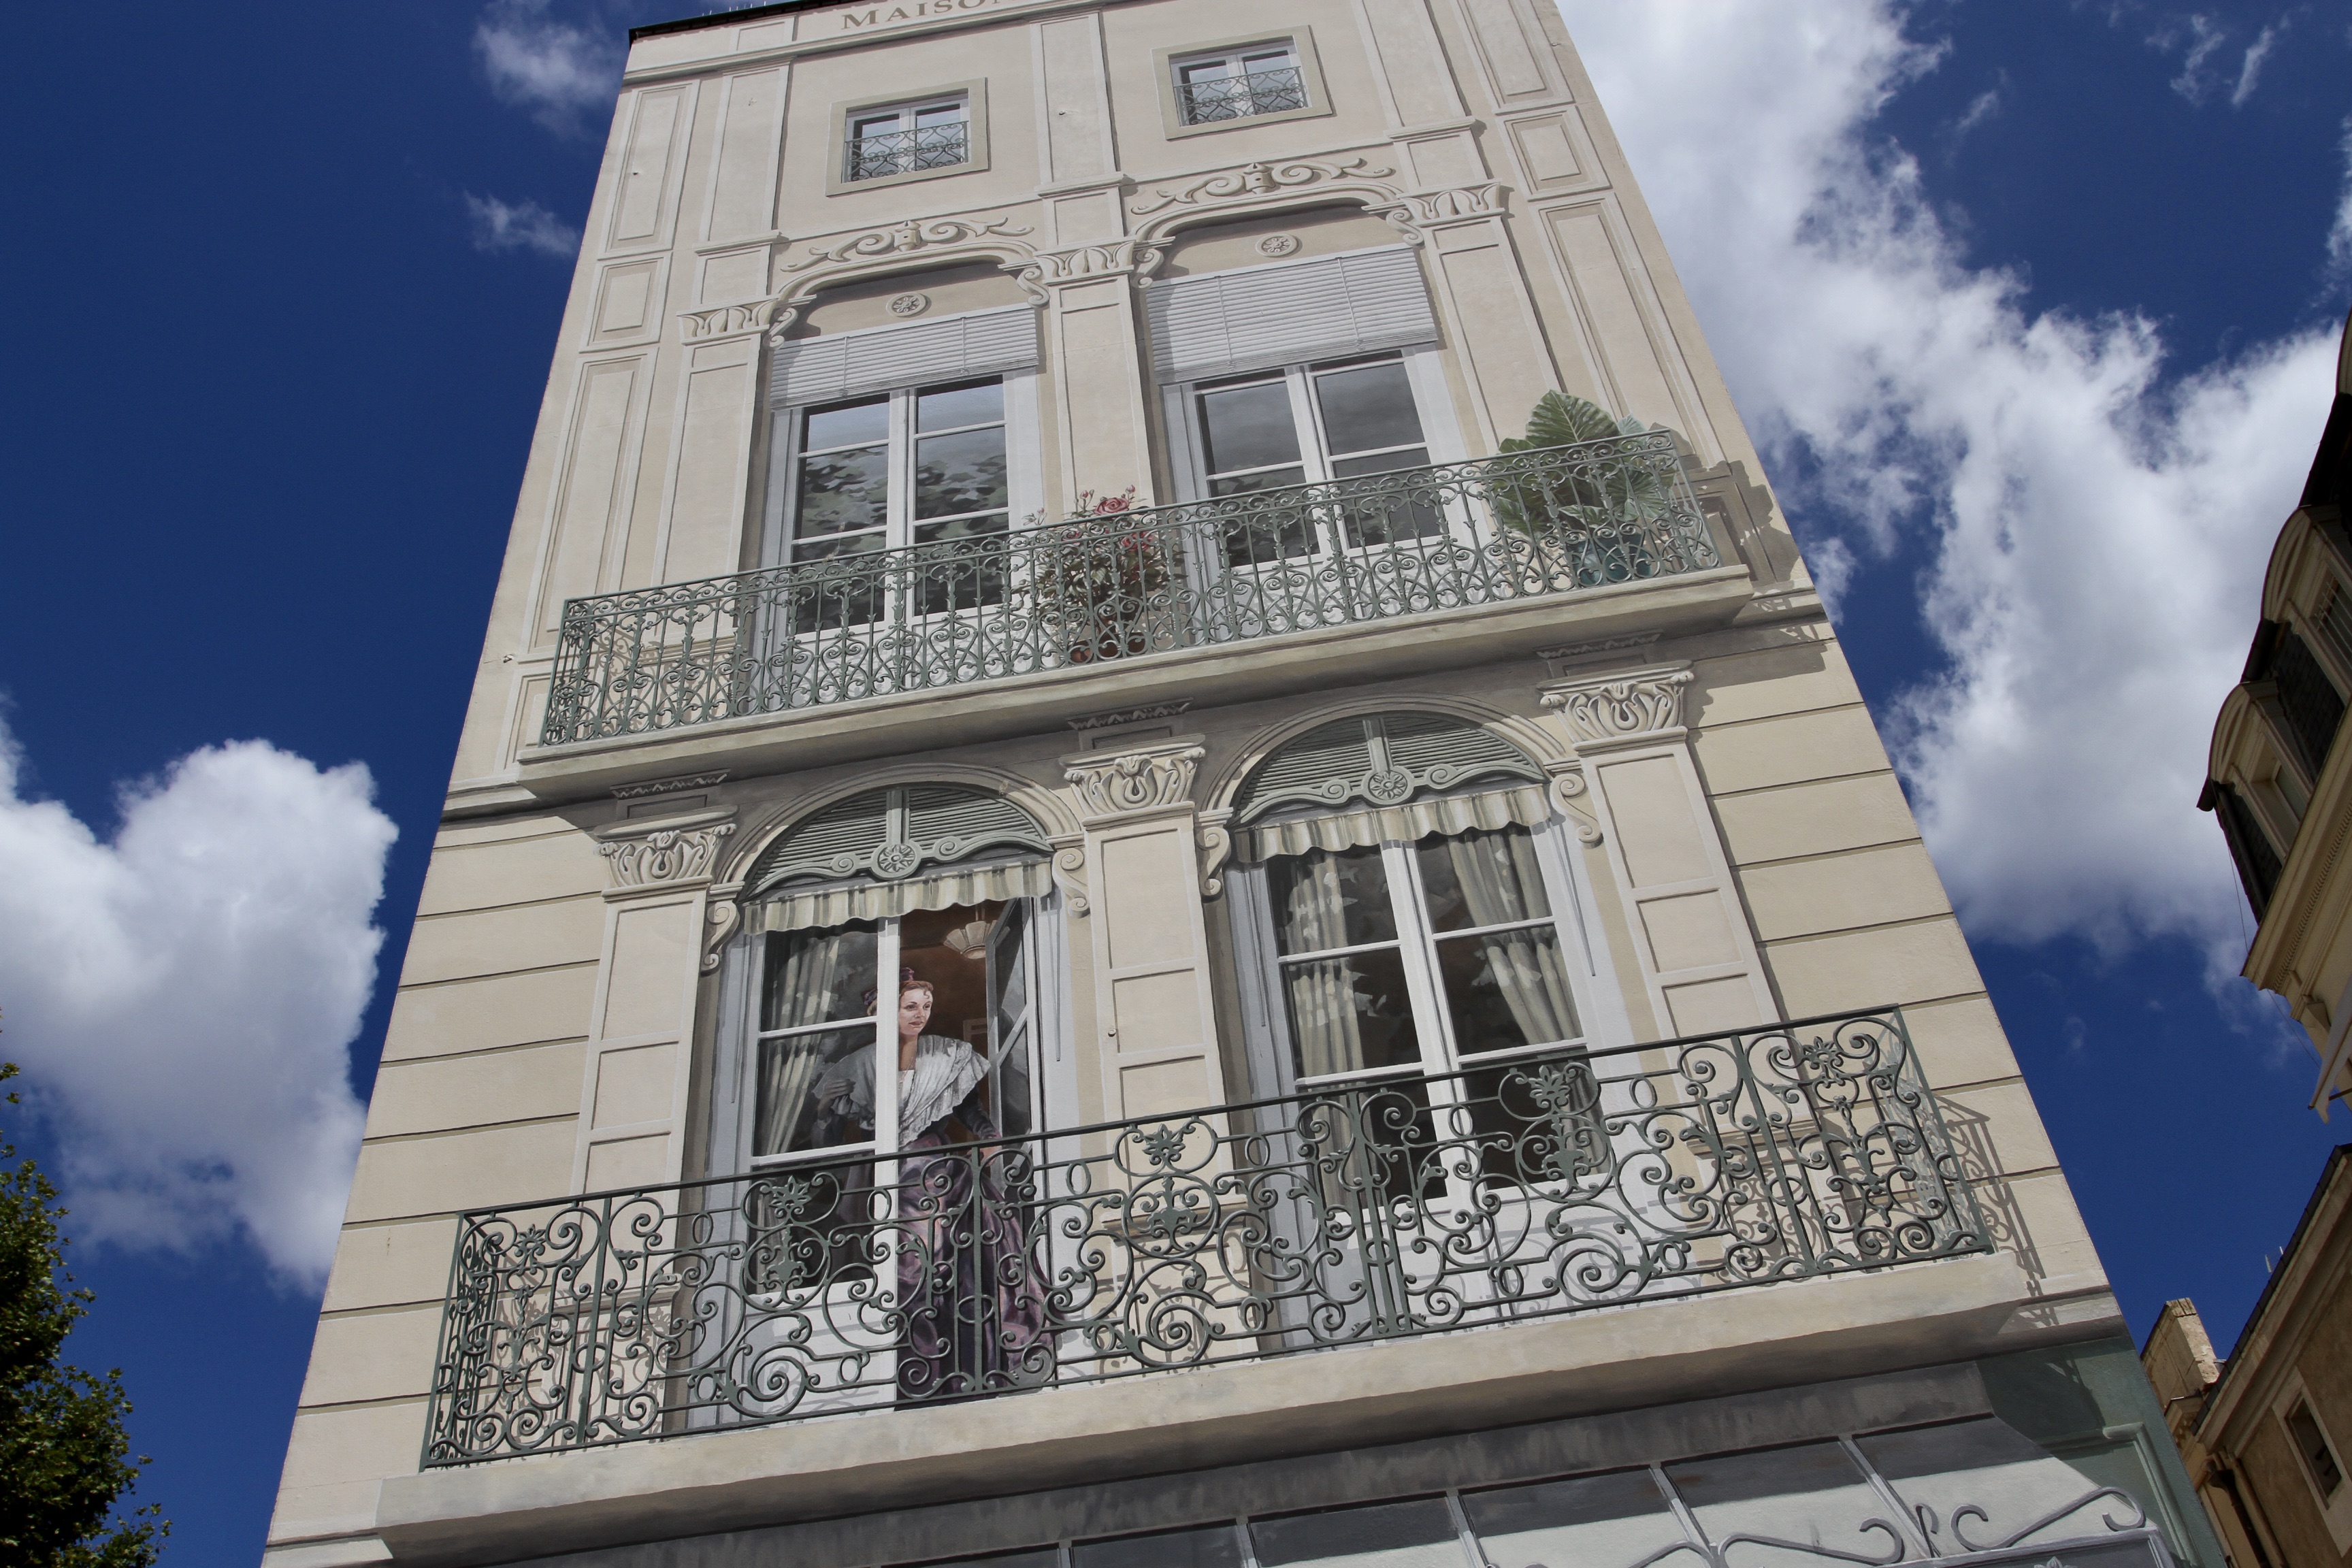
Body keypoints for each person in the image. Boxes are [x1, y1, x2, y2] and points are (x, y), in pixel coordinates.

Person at [815, 972, 1051, 1401]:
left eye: (926, 1006)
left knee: (949, 1267)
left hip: (938, 1173)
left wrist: (988, 1138)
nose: (920, 1015)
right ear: (883, 1012)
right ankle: (911, 1366)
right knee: (907, 1272)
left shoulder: (948, 1057)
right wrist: (828, 1110)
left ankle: (952, 1364)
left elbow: (971, 1115)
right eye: (911, 1007)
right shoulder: (859, 1066)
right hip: (886, 1180)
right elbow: (825, 1150)